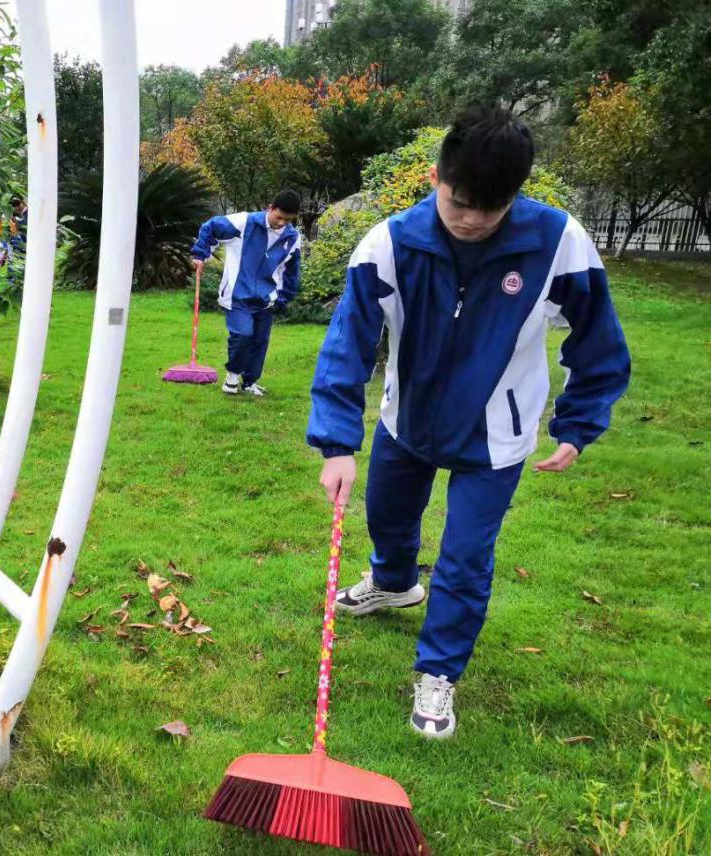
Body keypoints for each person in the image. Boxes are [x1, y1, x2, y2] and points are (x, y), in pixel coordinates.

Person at [306, 106, 631, 739]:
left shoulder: (559, 241)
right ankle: (395, 584)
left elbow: (597, 340)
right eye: (460, 202)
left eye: (492, 205)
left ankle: (438, 674)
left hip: (496, 436)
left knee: (463, 557)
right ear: (435, 177)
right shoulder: (391, 243)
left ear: (517, 193)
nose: (474, 219)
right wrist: (337, 443)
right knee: (389, 518)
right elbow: (348, 344)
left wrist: (579, 422)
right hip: (408, 419)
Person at [191, 189, 302, 396]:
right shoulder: (243, 223)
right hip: (237, 294)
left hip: (266, 298)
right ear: (271, 208)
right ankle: (232, 376)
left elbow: (291, 271)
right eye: (279, 217)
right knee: (242, 335)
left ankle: (250, 382)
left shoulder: (292, 238)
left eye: (287, 220)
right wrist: (201, 253)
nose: (281, 223)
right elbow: (211, 227)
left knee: (259, 341)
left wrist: (284, 297)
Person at [7, 193, 28, 283]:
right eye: (13, 205)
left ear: (23, 202)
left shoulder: (27, 214)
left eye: (17, 204)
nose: (16, 207)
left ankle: (15, 282)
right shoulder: (18, 216)